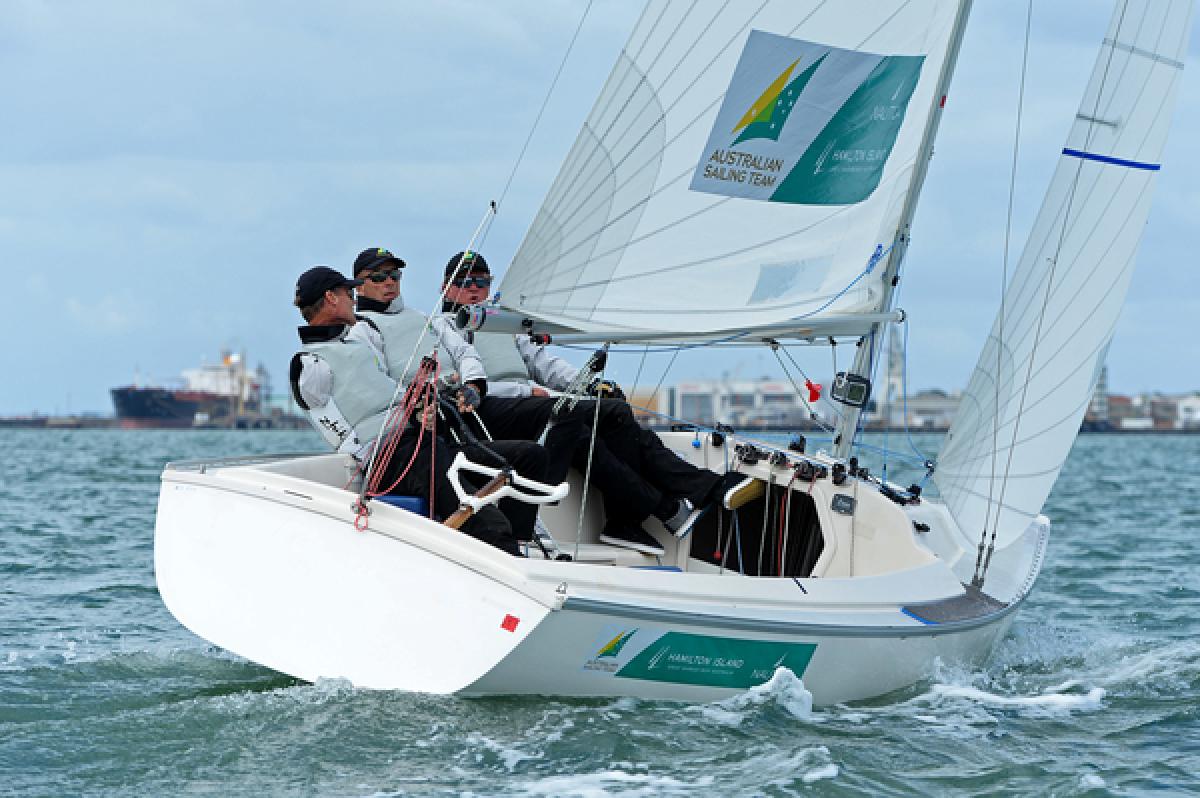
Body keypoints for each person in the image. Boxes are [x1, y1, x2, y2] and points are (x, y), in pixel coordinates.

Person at [440, 250, 741, 556]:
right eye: (464, 281)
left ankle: (629, 519)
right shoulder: (444, 328)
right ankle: (680, 500)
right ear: (445, 288)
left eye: (481, 281)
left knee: (613, 415)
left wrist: (590, 386)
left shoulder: (503, 325)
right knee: (587, 427)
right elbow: (460, 382)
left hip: (536, 410)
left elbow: (544, 365)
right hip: (491, 415)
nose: (474, 288)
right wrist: (525, 393)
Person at [288, 265, 547, 556]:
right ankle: (509, 561)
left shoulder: (358, 346)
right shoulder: (309, 363)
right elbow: (333, 428)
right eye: (348, 292)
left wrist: (418, 412)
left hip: (424, 443)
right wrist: (373, 456)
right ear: (331, 298)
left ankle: (520, 544)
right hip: (394, 459)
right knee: (489, 522)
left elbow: (391, 394)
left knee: (530, 456)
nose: (353, 298)